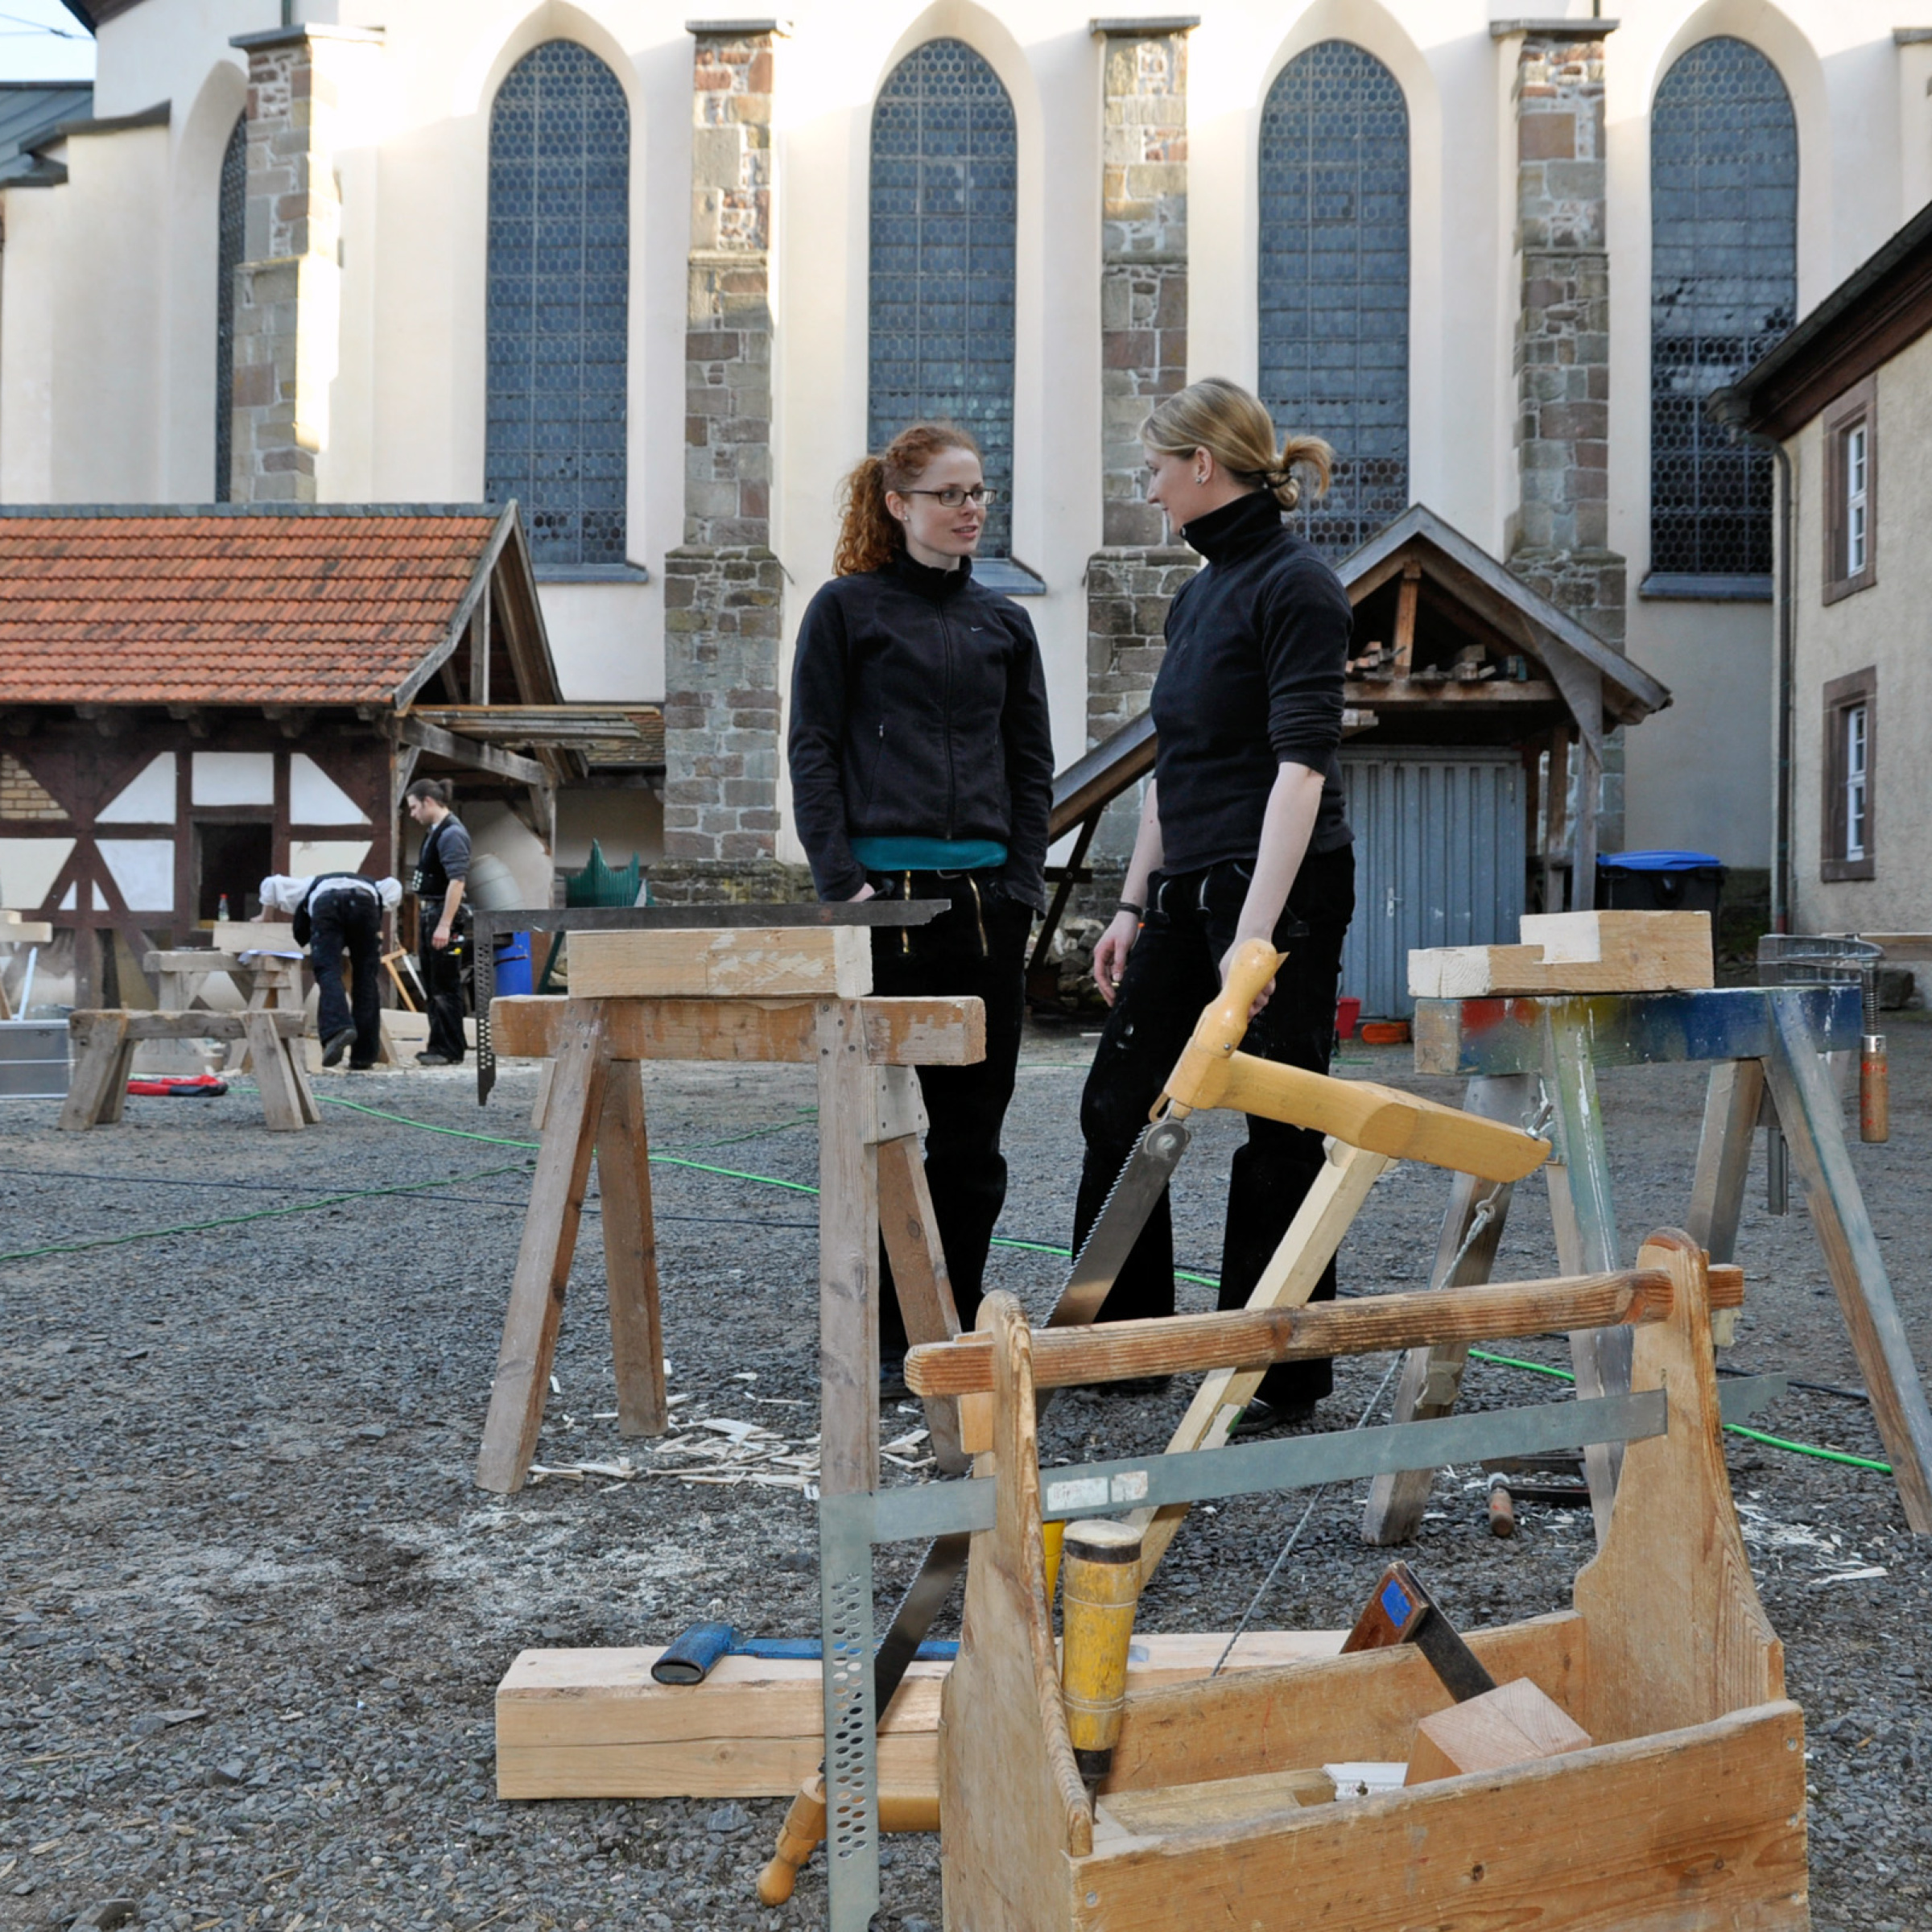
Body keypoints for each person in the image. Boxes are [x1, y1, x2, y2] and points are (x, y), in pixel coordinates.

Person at [1074, 377, 1356, 1431]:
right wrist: (1131, 903)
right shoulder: (1201, 593)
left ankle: (1272, 1370)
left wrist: (1253, 936)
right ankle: (1123, 1350)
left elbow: (1301, 769)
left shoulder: (1298, 585)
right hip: (1191, 886)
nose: (1147, 490)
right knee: (1118, 1104)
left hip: (1278, 889)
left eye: (1154, 468)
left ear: (1202, 464)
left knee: (1281, 1126)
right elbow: (1174, 764)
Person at [790, 422, 1055, 1388]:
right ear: (899, 506)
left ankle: (941, 1327)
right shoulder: (846, 612)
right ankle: (872, 1328)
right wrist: (843, 887)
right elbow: (811, 750)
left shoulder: (1004, 625)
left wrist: (1022, 886)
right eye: (950, 493)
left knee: (974, 1137)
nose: (972, 507)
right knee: (876, 1128)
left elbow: (1032, 766)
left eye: (980, 491)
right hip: (882, 909)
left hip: (986, 907)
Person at [258, 870, 405, 1069]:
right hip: (365, 904)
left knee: (328, 971)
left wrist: (264, 918)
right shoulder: (377, 885)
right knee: (365, 979)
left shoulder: (309, 884)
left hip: (327, 904)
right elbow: (395, 886)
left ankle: (337, 1028)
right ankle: (364, 1056)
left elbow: (272, 883)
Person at [404, 778, 471, 1067]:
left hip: (442, 914)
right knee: (435, 983)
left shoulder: (451, 833)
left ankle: (449, 1048)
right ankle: (441, 1044)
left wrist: (445, 924)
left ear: (428, 801)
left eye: (414, 807)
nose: (412, 813)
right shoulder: (435, 832)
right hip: (432, 912)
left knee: (445, 984)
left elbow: (457, 881)